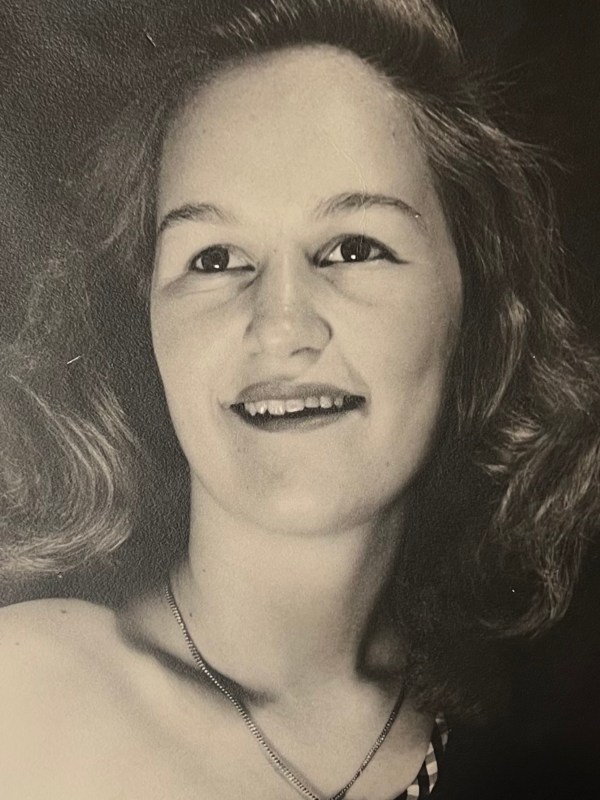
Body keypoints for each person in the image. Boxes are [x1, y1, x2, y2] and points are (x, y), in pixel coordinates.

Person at [1, 0, 599, 797]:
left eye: (353, 248)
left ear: (478, 307)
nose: (280, 326)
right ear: (143, 323)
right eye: (214, 258)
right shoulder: (27, 697)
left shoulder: (540, 748)